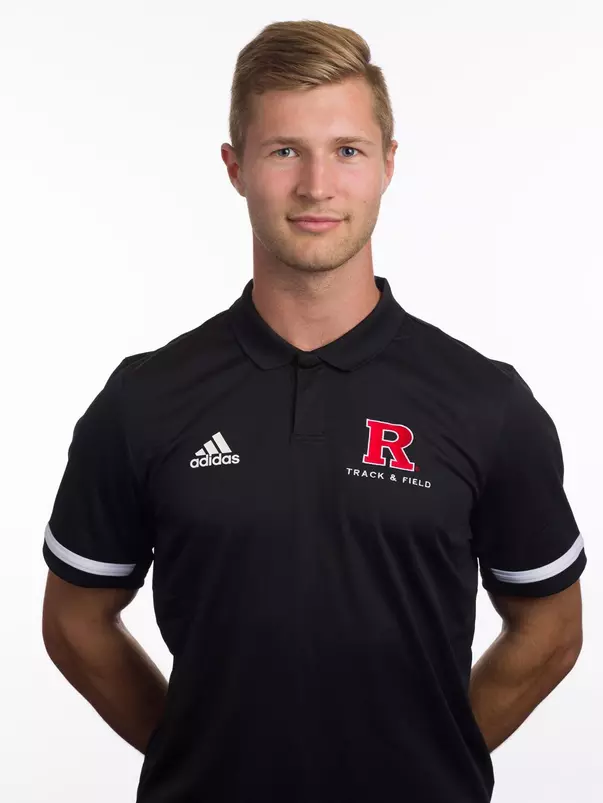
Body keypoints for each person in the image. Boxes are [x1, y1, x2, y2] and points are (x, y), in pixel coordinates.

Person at [41, 19, 586, 803]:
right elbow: (75, 621)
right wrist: (193, 747)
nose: (317, 186)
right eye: (284, 149)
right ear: (235, 167)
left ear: (388, 165)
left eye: (347, 150)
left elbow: (550, 629)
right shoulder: (145, 398)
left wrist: (430, 753)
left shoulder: (485, 401)